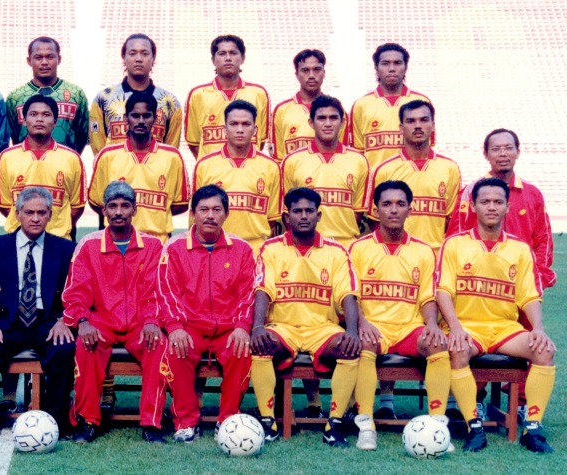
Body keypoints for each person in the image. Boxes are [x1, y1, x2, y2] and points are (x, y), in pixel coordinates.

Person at [436, 177, 557, 453]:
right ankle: (474, 427)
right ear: (474, 207)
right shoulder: (454, 244)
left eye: (498, 202)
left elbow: (529, 295)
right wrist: (454, 328)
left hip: (504, 328)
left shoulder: (519, 248)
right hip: (467, 326)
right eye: (485, 202)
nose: (492, 207)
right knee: (457, 351)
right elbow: (442, 290)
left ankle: (532, 427)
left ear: (507, 207)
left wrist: (537, 328)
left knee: (544, 351)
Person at [249, 187, 362, 447]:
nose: (303, 216)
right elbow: (262, 289)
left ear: (318, 215)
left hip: (322, 327)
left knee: (350, 349)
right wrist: (257, 326)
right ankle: (268, 422)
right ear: (287, 217)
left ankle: (334, 424)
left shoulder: (336, 251)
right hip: (283, 326)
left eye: (309, 211)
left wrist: (352, 331)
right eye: (297, 211)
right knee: (260, 346)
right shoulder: (271, 248)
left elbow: (348, 294)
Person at [347, 180, 451, 451]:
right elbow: (350, 295)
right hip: (374, 328)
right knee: (364, 344)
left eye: (400, 204)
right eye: (387, 204)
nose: (393, 210)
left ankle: (438, 425)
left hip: (408, 328)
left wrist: (431, 324)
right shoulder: (358, 249)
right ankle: (366, 424)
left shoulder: (423, 250)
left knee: (438, 343)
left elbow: (427, 296)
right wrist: (362, 321)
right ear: (376, 210)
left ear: (410, 210)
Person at [63, 181, 169, 444]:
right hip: (102, 322)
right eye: (113, 206)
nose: (119, 211)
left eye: (125, 206)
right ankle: (88, 420)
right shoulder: (88, 245)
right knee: (85, 345)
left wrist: (153, 321)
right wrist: (83, 321)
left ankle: (151, 422)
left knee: (159, 345)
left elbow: (158, 290)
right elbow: (75, 292)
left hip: (140, 323)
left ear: (134, 209)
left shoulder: (153, 246)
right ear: (104, 211)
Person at [0, 187, 76, 437]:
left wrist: (64, 320)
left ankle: (54, 421)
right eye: (29, 212)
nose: (36, 218)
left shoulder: (65, 249)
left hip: (47, 322)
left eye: (42, 212)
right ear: (17, 214)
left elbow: (76, 290)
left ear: (50, 215)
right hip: (5, 321)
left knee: (64, 348)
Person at [158, 185, 256, 443]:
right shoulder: (175, 247)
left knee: (240, 350)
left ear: (226, 214)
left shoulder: (242, 249)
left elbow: (250, 292)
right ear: (193, 214)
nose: (210, 216)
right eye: (203, 210)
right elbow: (167, 291)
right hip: (189, 325)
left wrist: (242, 326)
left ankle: (228, 420)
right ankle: (185, 421)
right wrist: (176, 326)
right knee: (177, 349)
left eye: (216, 210)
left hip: (228, 327)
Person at [449, 129, 555, 289]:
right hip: (478, 283)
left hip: (521, 281)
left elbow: (543, 240)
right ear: (486, 154)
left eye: (508, 148)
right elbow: (455, 236)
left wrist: (536, 275)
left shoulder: (532, 194)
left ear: (518, 152)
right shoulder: (470, 192)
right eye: (496, 149)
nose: (503, 153)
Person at [88, 92, 188, 241]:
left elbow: (180, 204)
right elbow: (97, 202)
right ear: (125, 119)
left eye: (146, 116)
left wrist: (155, 216)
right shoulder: (107, 156)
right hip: (118, 240)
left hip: (157, 242)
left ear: (155, 119)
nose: (141, 121)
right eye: (135, 116)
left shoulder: (172, 157)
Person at [367, 100, 460, 252]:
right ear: (401, 128)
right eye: (411, 121)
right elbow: (375, 220)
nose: (418, 126)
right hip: (397, 255)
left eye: (424, 120)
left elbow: (450, 220)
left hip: (433, 255)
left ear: (433, 125)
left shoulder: (450, 168)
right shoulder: (385, 169)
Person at [193, 100, 281, 252]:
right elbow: (196, 216)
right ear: (224, 129)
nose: (240, 129)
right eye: (234, 124)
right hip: (215, 248)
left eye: (246, 124)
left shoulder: (271, 167)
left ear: (255, 129)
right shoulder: (204, 165)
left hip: (255, 248)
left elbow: (273, 219)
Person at [282, 95, 369, 248]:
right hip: (306, 245)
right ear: (311, 123)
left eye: (333, 118)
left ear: (342, 122)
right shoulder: (292, 161)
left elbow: (357, 211)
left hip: (346, 245)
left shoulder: (359, 161)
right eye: (321, 118)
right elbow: (286, 211)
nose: (328, 123)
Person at [0, 95, 86, 240]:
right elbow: (6, 205)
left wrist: (57, 227)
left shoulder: (72, 158)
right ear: (24, 121)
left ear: (55, 121)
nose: (39, 119)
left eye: (46, 115)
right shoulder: (7, 157)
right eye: (33, 114)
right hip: (18, 239)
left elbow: (77, 206)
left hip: (59, 240)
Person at [88, 33, 182, 155]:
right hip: (116, 172)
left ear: (153, 58)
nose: (138, 59)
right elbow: (98, 148)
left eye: (145, 53)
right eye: (132, 53)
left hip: (155, 172)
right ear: (124, 57)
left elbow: (171, 151)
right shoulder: (104, 98)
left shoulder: (170, 102)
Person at [346, 43, 431, 169]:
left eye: (397, 63)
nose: (392, 68)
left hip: (412, 180)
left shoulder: (421, 101)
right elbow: (357, 153)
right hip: (376, 184)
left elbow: (427, 149)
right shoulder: (361, 105)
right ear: (376, 67)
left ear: (405, 67)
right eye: (385, 63)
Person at [185, 34, 271, 158]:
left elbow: (260, 140)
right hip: (212, 172)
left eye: (233, 53)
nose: (228, 58)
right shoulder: (198, 94)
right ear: (213, 60)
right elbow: (194, 143)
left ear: (243, 58)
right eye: (222, 53)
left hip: (250, 171)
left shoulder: (259, 93)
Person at [6, 36, 89, 153]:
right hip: (27, 166)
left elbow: (82, 136)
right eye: (38, 57)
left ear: (59, 59)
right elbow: (15, 135)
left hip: (64, 166)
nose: (44, 62)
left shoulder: (76, 94)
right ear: (29, 61)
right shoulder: (15, 97)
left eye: (50, 57)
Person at [272, 49, 343, 163]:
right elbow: (278, 158)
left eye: (316, 70)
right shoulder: (281, 110)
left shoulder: (337, 111)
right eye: (305, 70)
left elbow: (343, 155)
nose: (311, 75)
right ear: (297, 74)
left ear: (324, 73)